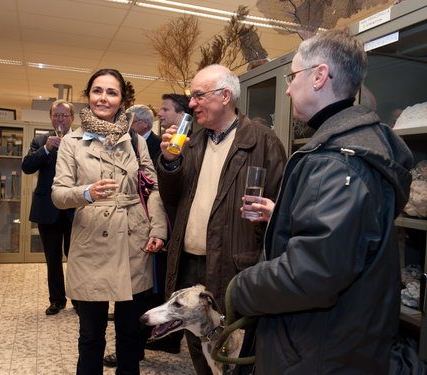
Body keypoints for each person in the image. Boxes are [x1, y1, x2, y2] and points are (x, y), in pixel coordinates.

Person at [229, 30, 414, 374]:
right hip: (338, 340)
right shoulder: (350, 147)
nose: (286, 88)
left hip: (321, 351)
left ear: (319, 76)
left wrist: (240, 288)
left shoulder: (338, 160)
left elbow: (312, 273)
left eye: (292, 76)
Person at [156, 64, 287, 374]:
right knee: (198, 345)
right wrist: (170, 163)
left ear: (225, 96)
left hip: (234, 267)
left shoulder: (263, 142)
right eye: (192, 97)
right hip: (189, 264)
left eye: (199, 95)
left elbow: (280, 212)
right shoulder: (194, 143)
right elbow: (173, 200)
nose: (191, 104)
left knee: (232, 351)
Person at [51, 68, 167, 375]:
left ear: (122, 100)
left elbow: (150, 186)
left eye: (111, 92)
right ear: (88, 96)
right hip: (91, 242)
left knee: (129, 336)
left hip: (133, 241)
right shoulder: (72, 143)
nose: (104, 97)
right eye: (97, 90)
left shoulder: (136, 141)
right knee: (91, 336)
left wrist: (158, 228)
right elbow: (59, 195)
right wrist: (86, 192)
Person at [21, 99, 76, 315]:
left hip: (74, 208)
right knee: (52, 259)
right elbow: (27, 167)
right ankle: (57, 300)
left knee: (76, 258)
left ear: (72, 118)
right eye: (56, 115)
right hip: (48, 209)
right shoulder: (40, 140)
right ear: (50, 118)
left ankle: (79, 301)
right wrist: (45, 149)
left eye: (64, 115)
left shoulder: (81, 141)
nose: (60, 119)